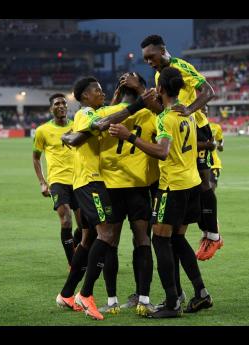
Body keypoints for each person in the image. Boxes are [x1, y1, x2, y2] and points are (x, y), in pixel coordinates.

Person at [109, 67, 213, 318]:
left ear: (163, 90)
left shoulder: (165, 118)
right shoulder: (187, 111)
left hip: (173, 186)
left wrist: (129, 136)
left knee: (159, 239)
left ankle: (172, 302)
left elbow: (162, 151)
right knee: (177, 239)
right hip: (191, 183)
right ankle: (201, 293)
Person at [55, 76, 147, 320]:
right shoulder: (85, 113)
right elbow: (104, 121)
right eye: (96, 89)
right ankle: (85, 295)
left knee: (88, 238)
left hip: (89, 182)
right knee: (106, 234)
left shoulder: (86, 115)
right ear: (85, 96)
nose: (101, 91)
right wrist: (137, 105)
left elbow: (83, 133)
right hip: (90, 182)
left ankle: (65, 294)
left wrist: (70, 136)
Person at [138, 34, 223, 261]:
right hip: (182, 130)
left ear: (162, 50)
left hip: (198, 127)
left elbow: (209, 91)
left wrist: (190, 109)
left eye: (151, 56)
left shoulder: (182, 66)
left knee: (204, 184)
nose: (149, 62)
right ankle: (200, 229)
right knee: (192, 183)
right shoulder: (159, 74)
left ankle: (213, 235)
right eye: (145, 59)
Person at [95, 72, 157, 316]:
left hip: (109, 187)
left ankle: (111, 303)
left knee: (110, 242)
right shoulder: (150, 114)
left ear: (118, 92)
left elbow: (99, 125)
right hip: (139, 187)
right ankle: (143, 300)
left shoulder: (104, 114)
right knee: (142, 240)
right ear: (141, 88)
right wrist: (143, 91)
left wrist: (115, 100)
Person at [32, 93, 82, 267]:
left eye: (63, 103)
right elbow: (36, 157)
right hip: (57, 181)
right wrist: (42, 182)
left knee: (84, 226)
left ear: (67, 107)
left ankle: (74, 246)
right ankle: (73, 263)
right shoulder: (42, 131)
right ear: (51, 108)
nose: (61, 106)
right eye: (57, 104)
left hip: (79, 179)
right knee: (66, 219)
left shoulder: (77, 125)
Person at [209, 120, 224, 191]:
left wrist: (221, 145)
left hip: (214, 164)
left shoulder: (215, 126)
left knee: (211, 187)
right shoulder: (193, 125)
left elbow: (221, 140)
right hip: (198, 163)